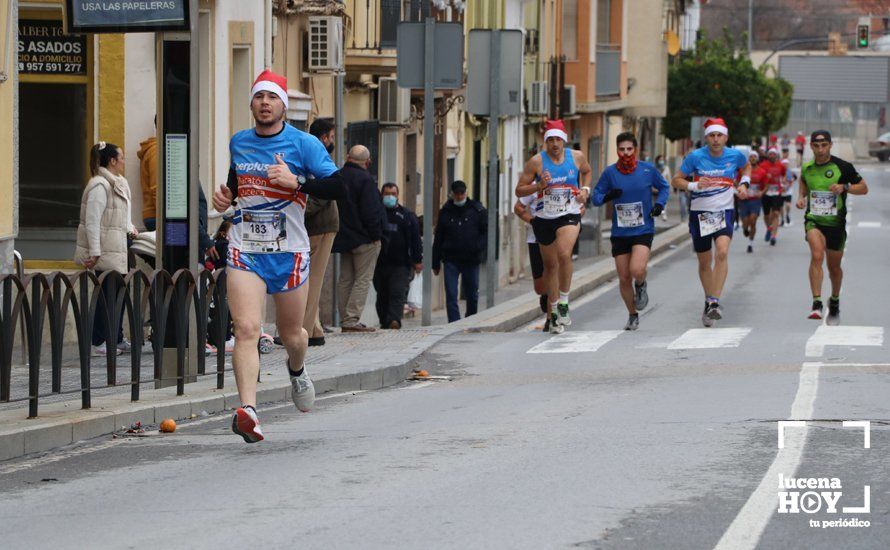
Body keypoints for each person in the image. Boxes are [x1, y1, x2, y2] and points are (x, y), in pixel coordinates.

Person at [212, 70, 345, 443]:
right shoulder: (239, 142)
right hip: (246, 249)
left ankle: (297, 370)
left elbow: (340, 185)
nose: (265, 103)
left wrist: (298, 182)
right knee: (246, 330)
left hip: (289, 252)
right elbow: (237, 185)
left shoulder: (304, 145)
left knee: (292, 335)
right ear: (251, 103)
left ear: (283, 105)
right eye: (259, 97)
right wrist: (226, 199)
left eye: (272, 98)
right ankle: (249, 411)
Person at [671, 118, 750, 327]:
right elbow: (676, 180)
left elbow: (746, 167)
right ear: (706, 137)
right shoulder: (695, 157)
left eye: (720, 135)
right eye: (712, 136)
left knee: (722, 252)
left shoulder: (735, 156)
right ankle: (708, 301)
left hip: (724, 212)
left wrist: (744, 184)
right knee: (705, 262)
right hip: (700, 214)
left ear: (726, 137)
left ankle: (714, 301)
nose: (716, 140)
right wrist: (694, 185)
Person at [515, 120, 592, 331]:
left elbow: (587, 171)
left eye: (558, 139)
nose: (555, 144)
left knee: (564, 253)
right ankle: (555, 311)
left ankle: (565, 302)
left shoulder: (576, 157)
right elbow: (519, 191)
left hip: (569, 214)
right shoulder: (536, 162)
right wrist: (538, 185)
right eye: (550, 140)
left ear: (564, 140)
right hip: (543, 217)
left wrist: (585, 189)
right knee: (550, 267)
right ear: (545, 141)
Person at [593, 133, 669, 330]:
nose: (625, 153)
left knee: (636, 270)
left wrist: (659, 205)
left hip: (643, 228)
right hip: (620, 233)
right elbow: (595, 197)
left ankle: (641, 284)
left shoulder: (647, 169)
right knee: (624, 277)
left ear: (635, 150)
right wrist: (609, 195)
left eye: (629, 149)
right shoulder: (610, 173)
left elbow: (664, 187)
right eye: (622, 149)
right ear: (617, 150)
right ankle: (632, 314)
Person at [796, 130, 868, 325]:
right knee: (817, 255)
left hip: (836, 224)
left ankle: (834, 300)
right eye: (816, 146)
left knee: (834, 268)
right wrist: (801, 197)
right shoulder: (807, 167)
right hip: (814, 220)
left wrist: (845, 187)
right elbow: (803, 182)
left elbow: (864, 188)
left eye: (824, 145)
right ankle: (816, 303)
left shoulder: (843, 167)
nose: (820, 150)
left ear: (830, 145)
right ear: (811, 146)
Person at [74, 142, 138, 356]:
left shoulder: (118, 183)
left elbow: (122, 216)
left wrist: (130, 228)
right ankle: (99, 340)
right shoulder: (100, 186)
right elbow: (92, 221)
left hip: (119, 246)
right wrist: (94, 251)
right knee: (105, 295)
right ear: (112, 161)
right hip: (106, 250)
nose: (123, 160)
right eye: (120, 157)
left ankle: (116, 338)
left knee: (119, 293)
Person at [332, 145, 385, 332]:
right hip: (365, 239)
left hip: (343, 237)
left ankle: (345, 318)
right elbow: (370, 211)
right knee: (362, 279)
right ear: (367, 162)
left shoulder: (338, 176)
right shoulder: (366, 180)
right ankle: (351, 320)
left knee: (345, 279)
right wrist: (376, 235)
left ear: (348, 157)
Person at [303, 118, 339, 346]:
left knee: (311, 280)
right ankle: (314, 330)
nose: (332, 141)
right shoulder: (313, 154)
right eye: (332, 137)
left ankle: (302, 329)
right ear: (324, 137)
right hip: (317, 226)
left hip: (320, 226)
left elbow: (322, 194)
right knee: (307, 278)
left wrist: (298, 212)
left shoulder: (317, 158)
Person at [432, 180, 488, 323]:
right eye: (456, 194)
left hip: (471, 259)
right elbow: (439, 237)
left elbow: (485, 233)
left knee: (472, 294)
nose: (459, 197)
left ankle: (470, 319)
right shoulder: (445, 212)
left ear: (466, 193)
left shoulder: (477, 210)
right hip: (451, 259)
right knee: (451, 294)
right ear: (452, 194)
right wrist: (435, 262)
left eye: (461, 194)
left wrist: (478, 247)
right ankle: (454, 323)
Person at [373, 183, 422, 329]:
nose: (390, 197)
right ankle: (384, 321)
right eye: (387, 193)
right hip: (379, 263)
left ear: (398, 195)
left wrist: (417, 260)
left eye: (393, 194)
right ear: (382, 195)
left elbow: (415, 240)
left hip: (401, 264)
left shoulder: (406, 216)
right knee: (382, 294)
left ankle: (394, 320)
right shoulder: (376, 214)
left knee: (397, 293)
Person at [514, 193, 551, 332]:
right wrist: (533, 221)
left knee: (554, 273)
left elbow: (580, 208)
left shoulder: (565, 181)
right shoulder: (534, 187)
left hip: (557, 238)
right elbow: (518, 208)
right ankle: (547, 297)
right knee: (540, 287)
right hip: (535, 238)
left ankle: (551, 316)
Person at [739, 151, 765, 254]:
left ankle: (750, 243)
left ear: (757, 159)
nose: (753, 158)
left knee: (753, 220)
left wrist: (762, 192)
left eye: (755, 156)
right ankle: (745, 228)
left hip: (755, 200)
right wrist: (739, 190)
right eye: (751, 157)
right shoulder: (742, 171)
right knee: (745, 222)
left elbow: (765, 185)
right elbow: (736, 181)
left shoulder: (762, 171)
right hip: (744, 200)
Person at [759, 147, 786, 246]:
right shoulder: (762, 165)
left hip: (776, 192)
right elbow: (759, 177)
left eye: (774, 154)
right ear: (767, 155)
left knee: (775, 213)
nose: (772, 156)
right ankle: (769, 228)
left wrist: (783, 184)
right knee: (766, 215)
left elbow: (783, 176)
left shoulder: (781, 165)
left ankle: (773, 236)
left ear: (776, 155)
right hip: (766, 192)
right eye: (770, 154)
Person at [137, 120, 158, 231]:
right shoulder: (156, 150)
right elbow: (157, 188)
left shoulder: (157, 149)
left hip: (154, 215)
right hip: (156, 216)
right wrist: (165, 217)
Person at [781, 150, 796, 226]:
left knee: (787, 205)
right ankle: (782, 219)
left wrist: (786, 188)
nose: (785, 165)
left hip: (788, 191)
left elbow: (792, 180)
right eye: (784, 164)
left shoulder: (790, 172)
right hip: (780, 191)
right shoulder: (779, 171)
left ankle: (787, 215)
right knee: (780, 207)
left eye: (786, 164)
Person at [654, 155, 670, 221]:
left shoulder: (666, 168)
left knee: (664, 202)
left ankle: (664, 214)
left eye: (662, 160)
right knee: (656, 201)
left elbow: (669, 178)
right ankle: (655, 215)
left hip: (663, 188)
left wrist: (669, 187)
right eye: (660, 160)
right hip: (656, 187)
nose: (661, 161)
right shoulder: (654, 168)